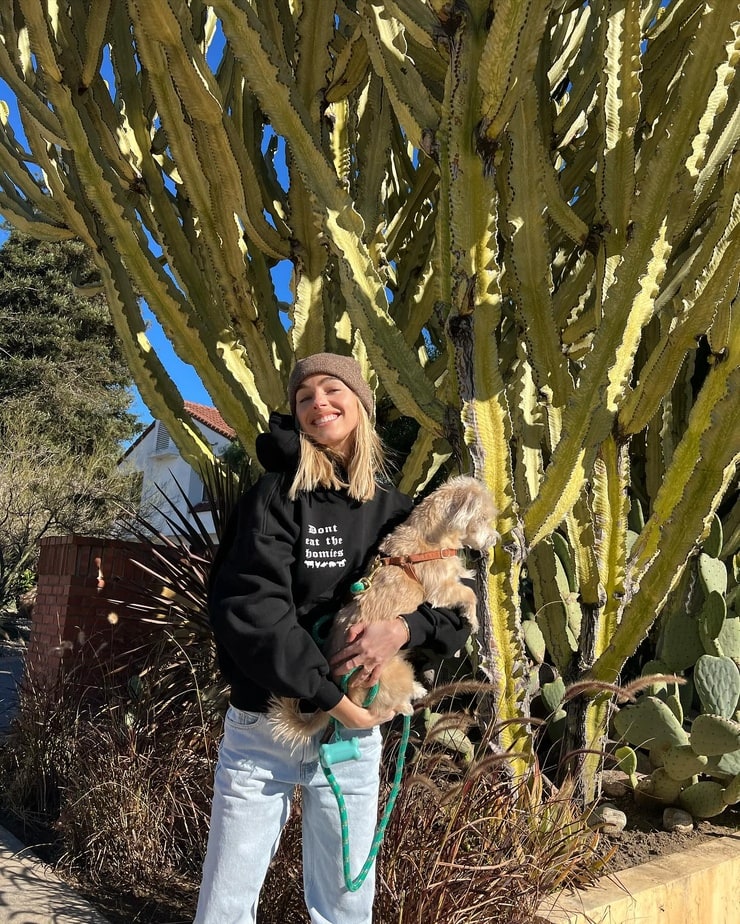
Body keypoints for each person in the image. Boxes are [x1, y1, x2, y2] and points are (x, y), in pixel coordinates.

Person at [194, 353, 472, 924]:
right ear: (297, 416)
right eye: (304, 397)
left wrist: (403, 629)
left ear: (361, 405)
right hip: (268, 725)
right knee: (226, 903)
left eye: (331, 389)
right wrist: (335, 700)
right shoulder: (274, 496)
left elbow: (458, 611)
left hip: (354, 737)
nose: (318, 401)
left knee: (345, 905)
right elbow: (251, 609)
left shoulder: (399, 512)